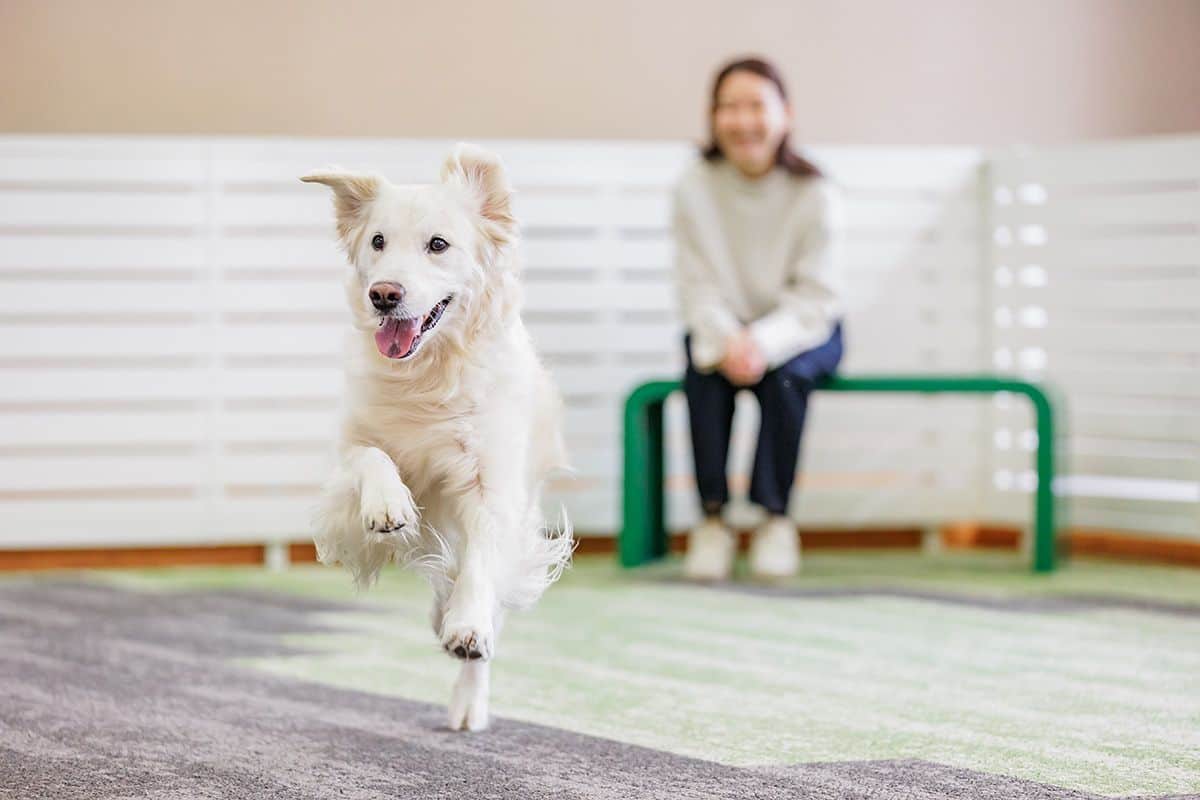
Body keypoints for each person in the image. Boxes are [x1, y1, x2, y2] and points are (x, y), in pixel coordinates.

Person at [672, 56, 845, 581]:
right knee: (703, 372)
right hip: (724, 327)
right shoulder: (693, 186)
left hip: (805, 329)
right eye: (729, 107)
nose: (743, 120)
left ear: (785, 115)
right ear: (713, 116)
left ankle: (775, 519)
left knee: (786, 378)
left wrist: (763, 343)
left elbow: (817, 297)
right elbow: (696, 285)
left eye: (756, 106)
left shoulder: (815, 192)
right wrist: (731, 339)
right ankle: (713, 520)